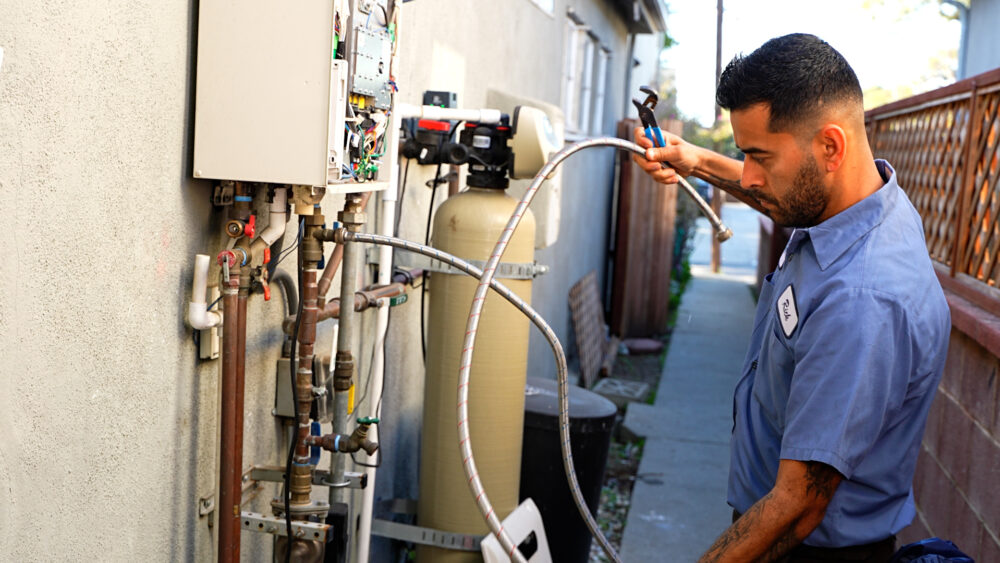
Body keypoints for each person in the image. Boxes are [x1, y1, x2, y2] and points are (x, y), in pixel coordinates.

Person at [633, 34, 951, 563]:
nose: (751, 177)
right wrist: (697, 161)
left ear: (830, 147)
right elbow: (778, 187)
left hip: (801, 547)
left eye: (760, 157)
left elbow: (798, 508)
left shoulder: (861, 300)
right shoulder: (858, 204)